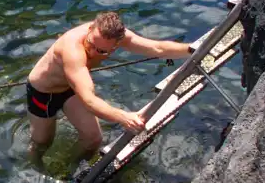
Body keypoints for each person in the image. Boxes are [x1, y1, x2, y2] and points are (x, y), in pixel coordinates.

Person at [26, 11, 191, 158]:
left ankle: (71, 169)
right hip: (43, 92)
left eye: (102, 51)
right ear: (90, 28)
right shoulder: (72, 50)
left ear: (117, 45)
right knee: (42, 143)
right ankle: (33, 167)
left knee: (93, 139)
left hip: (71, 88)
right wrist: (123, 117)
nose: (92, 52)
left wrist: (192, 50)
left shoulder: (119, 37)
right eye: (90, 44)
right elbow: (89, 101)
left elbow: (158, 48)